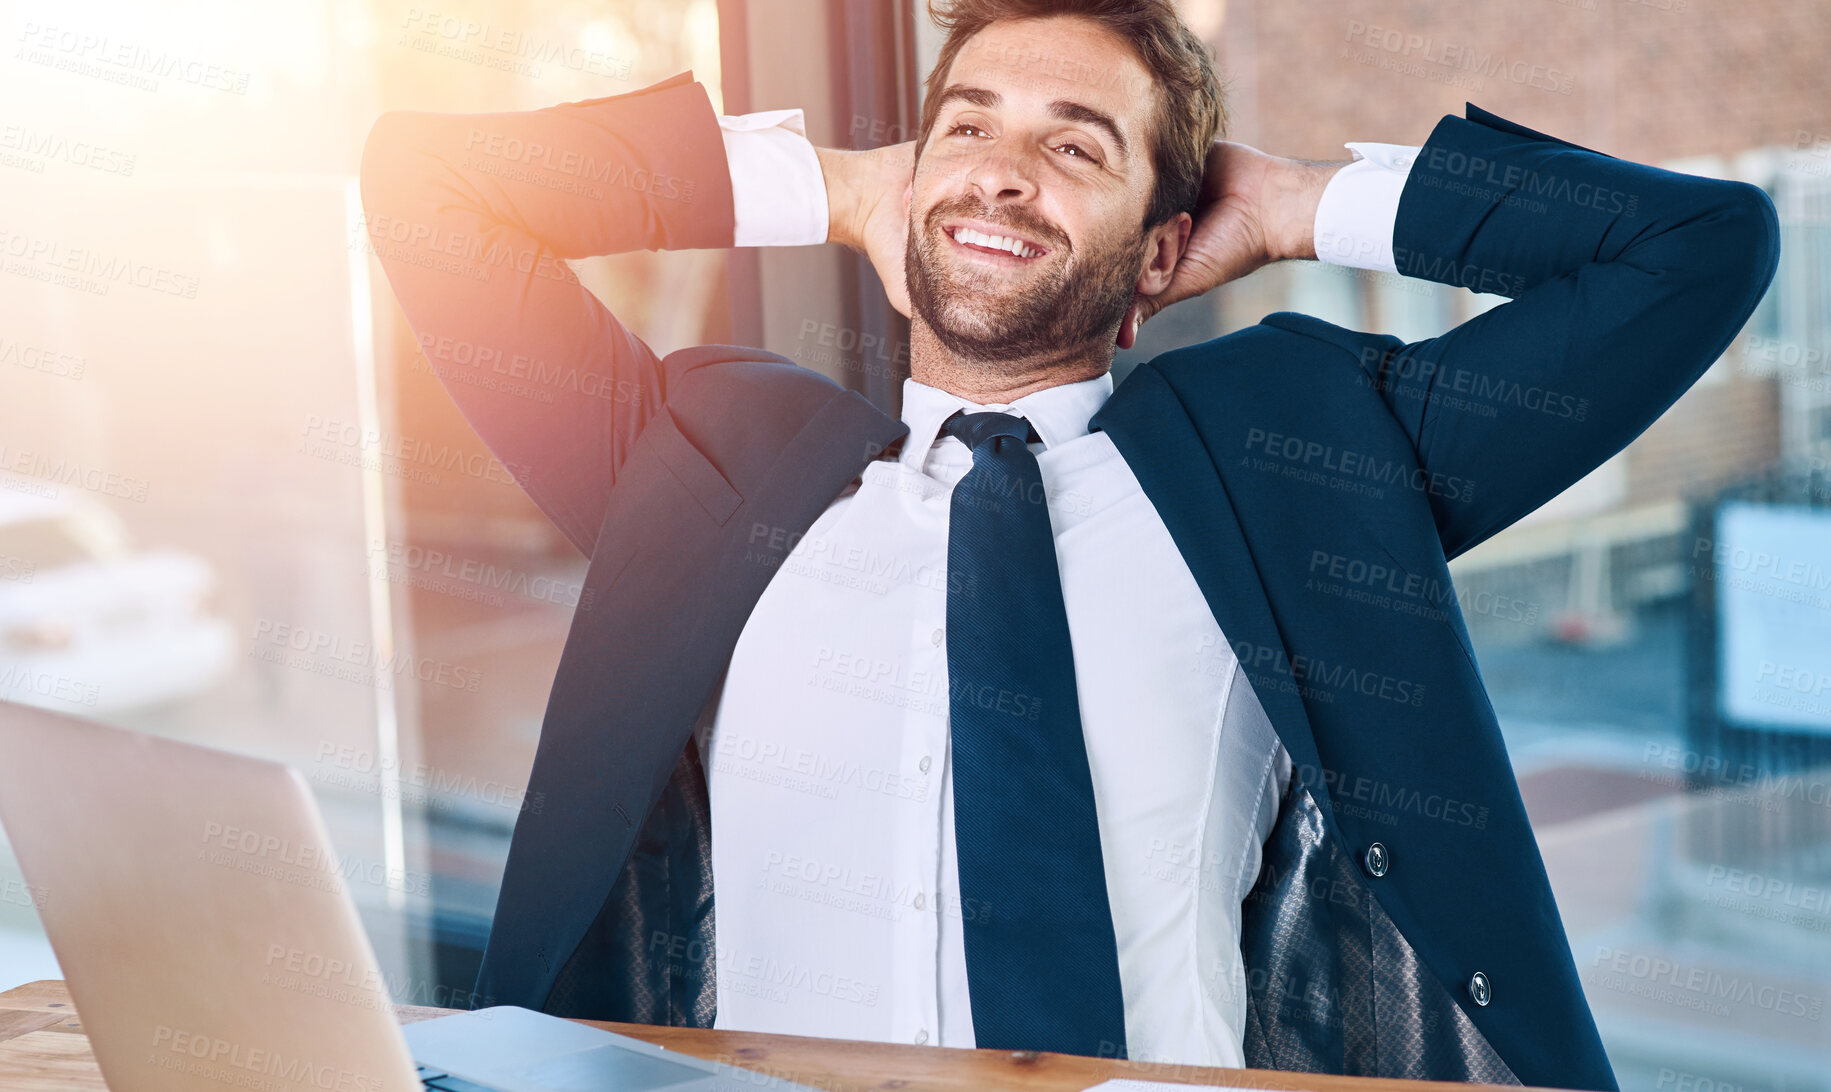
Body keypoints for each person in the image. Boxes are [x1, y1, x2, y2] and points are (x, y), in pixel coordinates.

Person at [357, 1, 1779, 1087]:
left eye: (1073, 146)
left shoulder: (1292, 471)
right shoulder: (701, 466)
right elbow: (432, 189)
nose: (999, 174)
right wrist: (842, 187)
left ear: (1163, 252)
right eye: (965, 127)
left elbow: (1694, 252)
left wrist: (1291, 206)